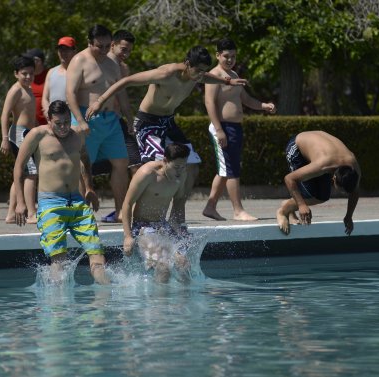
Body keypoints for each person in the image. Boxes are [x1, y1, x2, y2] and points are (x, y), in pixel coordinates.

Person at [86, 45, 247, 222]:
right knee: (156, 168)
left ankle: (177, 215)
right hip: (148, 123)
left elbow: (207, 77)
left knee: (191, 164)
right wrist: (100, 101)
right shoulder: (166, 73)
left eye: (203, 71)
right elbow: (127, 81)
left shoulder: (198, 75)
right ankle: (139, 212)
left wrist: (227, 82)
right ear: (187, 64)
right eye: (198, 71)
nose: (200, 75)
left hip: (168, 122)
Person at [13, 100, 109, 284]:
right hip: (51, 204)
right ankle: (58, 309)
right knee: (59, 260)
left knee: (97, 255)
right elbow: (18, 168)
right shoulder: (37, 135)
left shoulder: (77, 135)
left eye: (66, 122)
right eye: (59, 123)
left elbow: (86, 160)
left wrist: (89, 188)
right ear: (49, 119)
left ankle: (103, 303)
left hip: (77, 202)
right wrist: (20, 202)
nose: (64, 127)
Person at [202, 38, 276, 221]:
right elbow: (209, 103)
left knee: (225, 170)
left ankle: (210, 207)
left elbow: (246, 99)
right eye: (226, 56)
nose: (230, 60)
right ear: (218, 55)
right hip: (223, 127)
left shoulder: (234, 75)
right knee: (232, 169)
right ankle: (238, 211)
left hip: (234, 127)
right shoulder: (214, 75)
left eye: (233, 56)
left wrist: (264, 105)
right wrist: (219, 130)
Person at [66, 24, 129, 222]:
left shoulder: (113, 63)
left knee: (121, 163)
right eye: (98, 46)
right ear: (89, 43)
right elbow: (70, 94)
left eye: (106, 46)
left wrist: (130, 118)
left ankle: (120, 211)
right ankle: (82, 213)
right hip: (88, 118)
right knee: (84, 165)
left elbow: (122, 92)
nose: (102, 50)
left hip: (111, 120)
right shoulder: (79, 61)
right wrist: (80, 120)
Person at [122, 143, 192, 283]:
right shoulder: (147, 174)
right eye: (176, 167)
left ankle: (184, 303)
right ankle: (159, 304)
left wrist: (179, 228)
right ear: (165, 161)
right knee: (163, 267)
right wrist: (128, 236)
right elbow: (127, 203)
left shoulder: (182, 173)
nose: (180, 171)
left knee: (184, 265)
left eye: (183, 166)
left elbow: (178, 201)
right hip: (142, 227)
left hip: (162, 225)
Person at [276, 131, 361, 235]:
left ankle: (290, 205)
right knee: (310, 194)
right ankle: (282, 211)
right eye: (341, 191)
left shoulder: (354, 169)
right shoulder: (322, 165)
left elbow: (355, 192)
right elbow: (289, 179)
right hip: (296, 147)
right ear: (333, 178)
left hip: (321, 150)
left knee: (322, 196)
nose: (342, 194)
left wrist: (349, 216)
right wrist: (302, 205)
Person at [0, 56, 37, 223]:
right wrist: (5, 138)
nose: (28, 77)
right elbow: (4, 115)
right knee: (31, 173)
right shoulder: (15, 90)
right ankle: (30, 212)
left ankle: (11, 214)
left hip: (28, 133)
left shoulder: (29, 89)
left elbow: (31, 116)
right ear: (16, 74)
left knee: (20, 173)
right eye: (24, 74)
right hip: (18, 133)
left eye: (31, 73)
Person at [41, 36, 77, 118]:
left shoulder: (79, 72)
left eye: (66, 49)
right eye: (60, 49)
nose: (63, 53)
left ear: (74, 51)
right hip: (53, 119)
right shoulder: (51, 72)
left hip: (72, 119)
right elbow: (45, 98)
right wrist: (47, 111)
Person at [23, 48, 48, 126]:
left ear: (40, 61)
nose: (29, 62)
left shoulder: (50, 74)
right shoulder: (26, 77)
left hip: (49, 123)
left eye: (32, 59)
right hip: (29, 124)